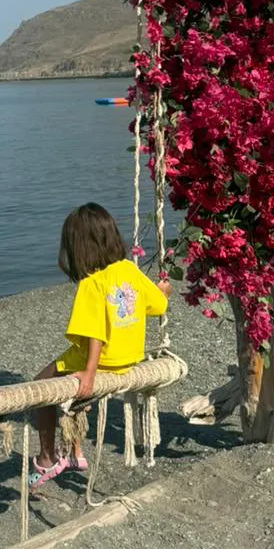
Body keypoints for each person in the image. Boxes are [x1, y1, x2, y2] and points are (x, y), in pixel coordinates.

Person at [29, 202, 170, 488]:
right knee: (74, 395)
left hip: (101, 360)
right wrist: (162, 291)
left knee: (40, 384)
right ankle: (76, 452)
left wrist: (90, 373)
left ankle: (47, 457)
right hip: (128, 357)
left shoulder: (91, 284)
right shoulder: (129, 270)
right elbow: (157, 305)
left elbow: (95, 333)